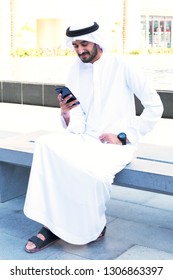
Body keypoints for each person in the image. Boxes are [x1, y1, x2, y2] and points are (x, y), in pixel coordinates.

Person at [24, 20, 163, 253]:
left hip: (115, 145)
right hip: (84, 138)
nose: (80, 51)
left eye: (84, 44)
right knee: (46, 144)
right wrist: (66, 112)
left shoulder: (123, 65)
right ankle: (50, 224)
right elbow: (77, 122)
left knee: (94, 173)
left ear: (97, 41)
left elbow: (155, 107)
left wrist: (124, 136)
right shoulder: (75, 70)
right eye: (75, 45)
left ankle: (94, 227)